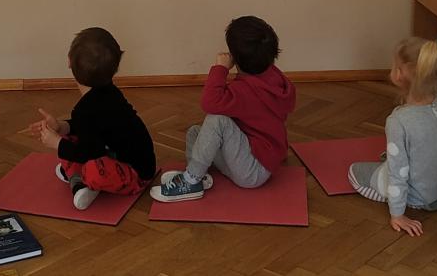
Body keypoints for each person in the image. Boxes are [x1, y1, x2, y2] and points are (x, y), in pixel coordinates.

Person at [151, 15, 296, 202]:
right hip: (260, 158)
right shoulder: (276, 79)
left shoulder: (243, 91)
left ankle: (191, 181)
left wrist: (221, 68)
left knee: (217, 120)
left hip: (252, 172)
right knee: (195, 133)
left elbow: (209, 103)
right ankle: (197, 174)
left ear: (235, 58)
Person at [27, 27, 156, 210]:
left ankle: (81, 182)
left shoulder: (85, 110)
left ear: (69, 62)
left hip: (136, 176)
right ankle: (79, 179)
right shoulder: (109, 91)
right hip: (117, 155)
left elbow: (88, 153)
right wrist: (61, 127)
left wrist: (57, 143)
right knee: (68, 139)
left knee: (85, 163)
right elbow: (90, 128)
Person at [348, 37, 437, 237]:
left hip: (417, 195)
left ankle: (412, 201)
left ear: (399, 74)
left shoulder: (398, 121)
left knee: (354, 172)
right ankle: (434, 194)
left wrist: (398, 215)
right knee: (400, 155)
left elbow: (398, 172)